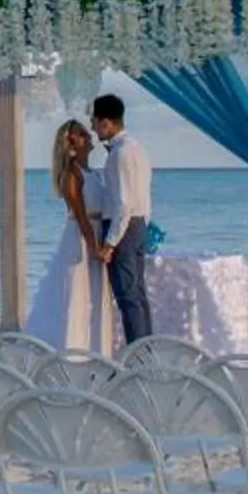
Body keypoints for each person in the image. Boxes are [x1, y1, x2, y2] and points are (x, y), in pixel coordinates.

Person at [21, 119, 116, 355]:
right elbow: (82, 216)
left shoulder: (93, 173)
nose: (88, 136)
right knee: (77, 295)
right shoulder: (71, 175)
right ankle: (73, 352)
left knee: (95, 297)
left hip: (97, 231)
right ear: (71, 143)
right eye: (82, 134)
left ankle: (96, 349)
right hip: (81, 239)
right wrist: (94, 247)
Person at [88, 92, 154, 346]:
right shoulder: (137, 148)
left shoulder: (120, 153)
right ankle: (146, 350)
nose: (93, 128)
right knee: (138, 295)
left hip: (124, 229)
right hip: (138, 225)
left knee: (128, 297)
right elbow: (144, 194)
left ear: (106, 122)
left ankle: (138, 356)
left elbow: (123, 202)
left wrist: (110, 243)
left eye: (94, 122)